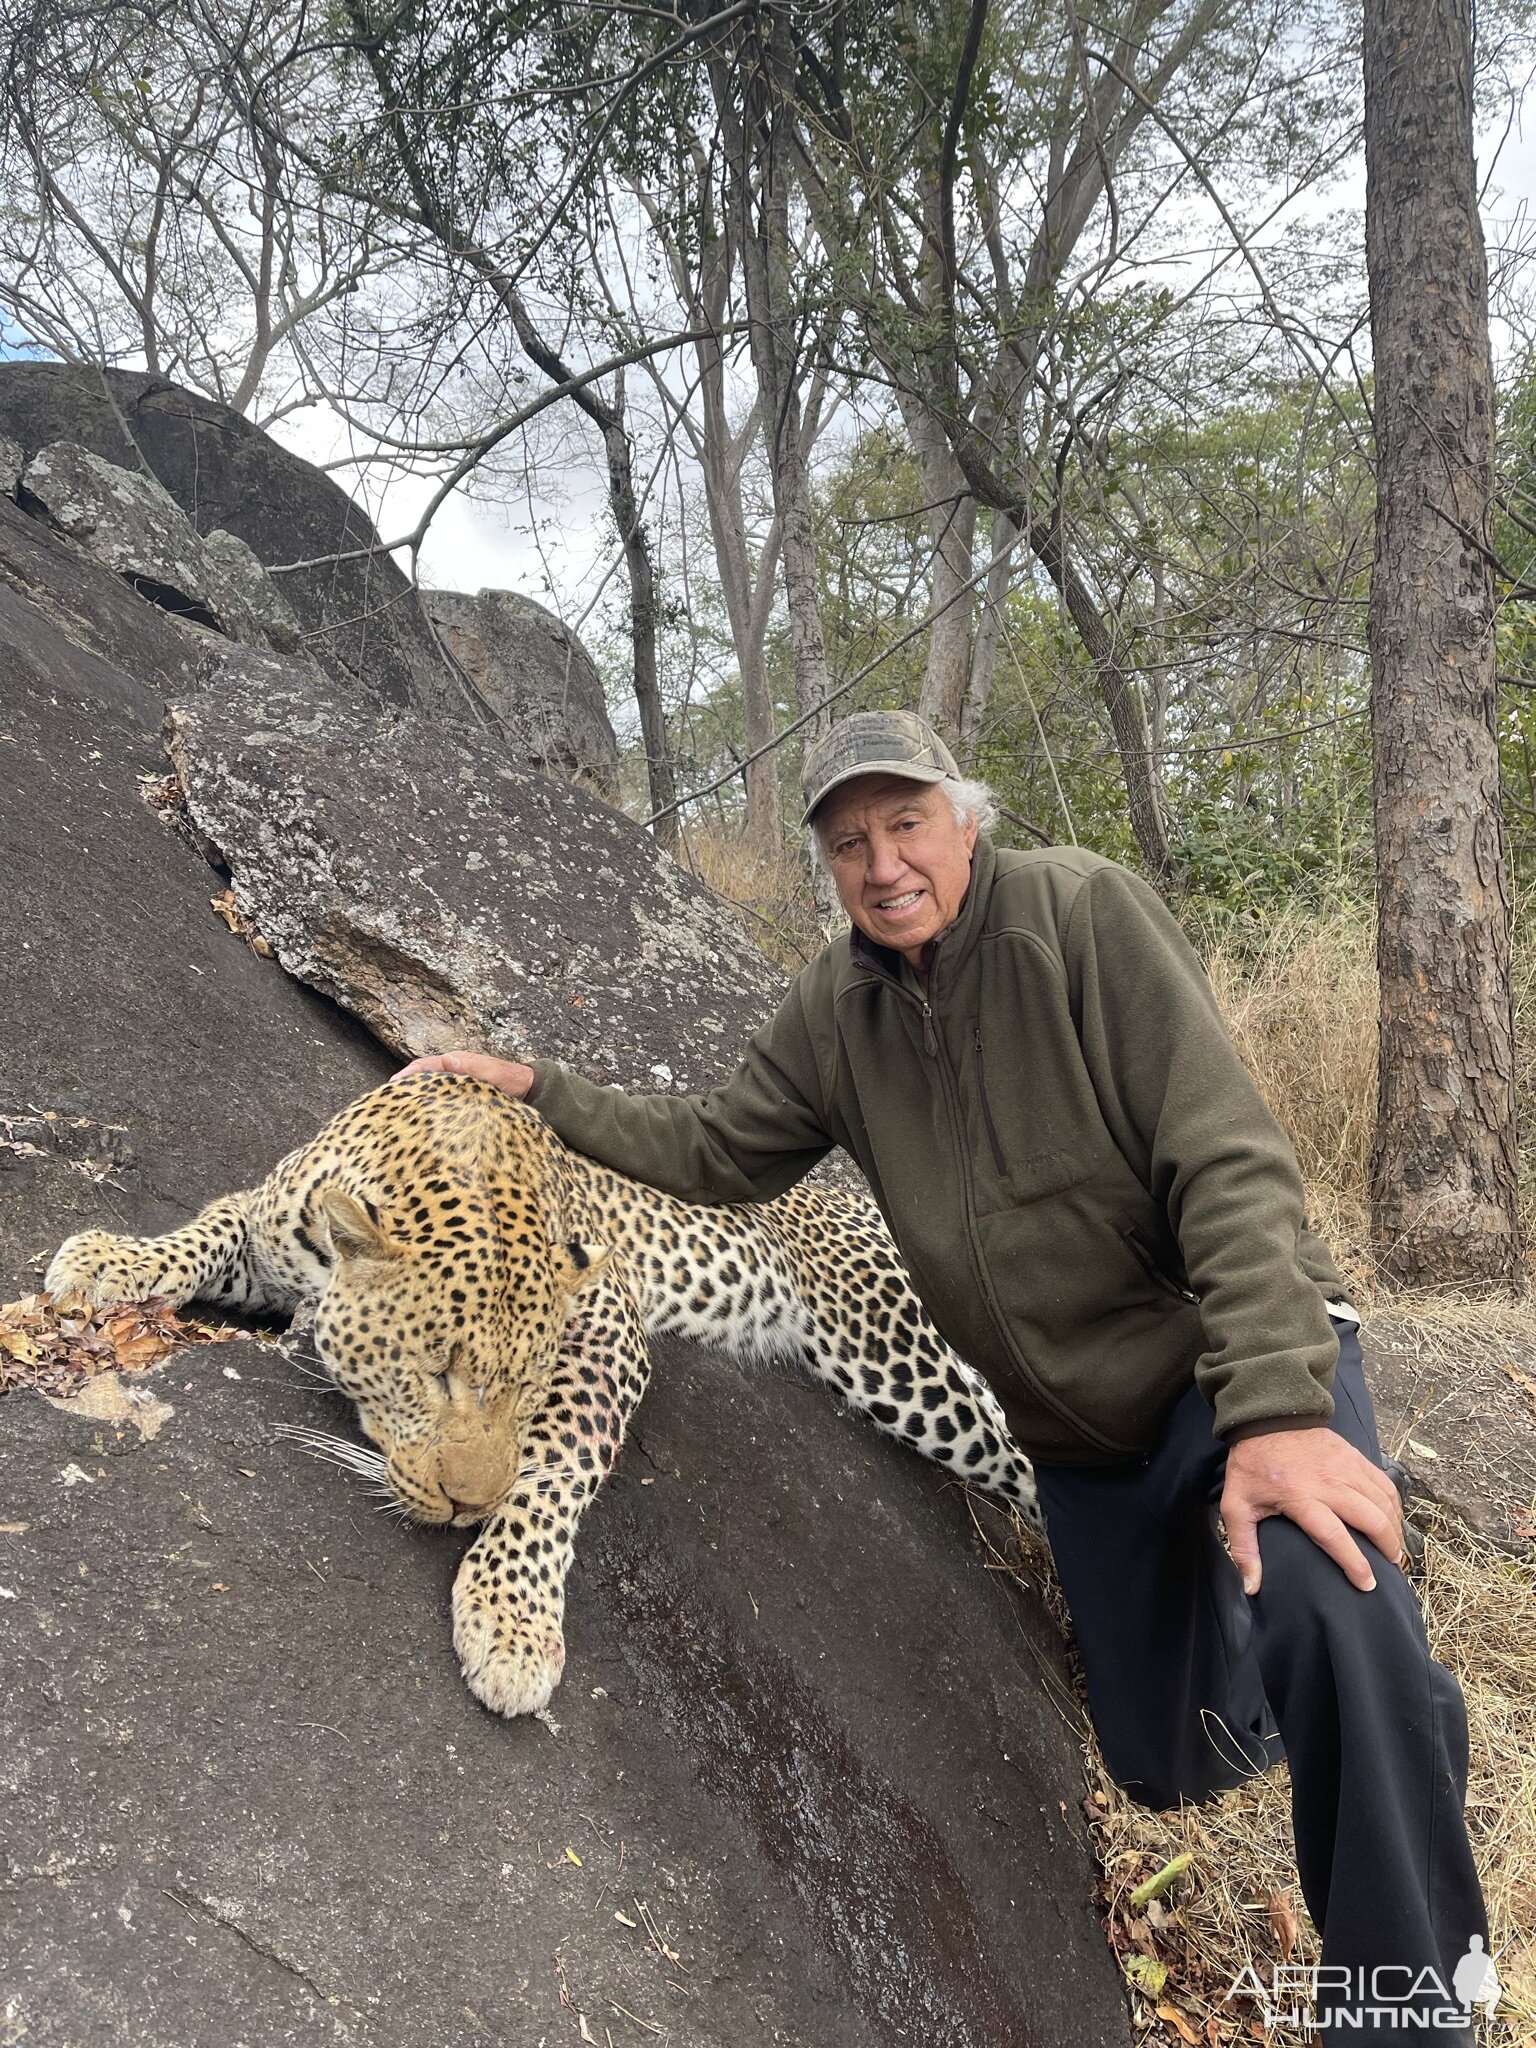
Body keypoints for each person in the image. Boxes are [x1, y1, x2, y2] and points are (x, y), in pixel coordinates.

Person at [400, 709, 1489, 2039]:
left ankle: (1410, 2001)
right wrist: (541, 1091)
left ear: (963, 819)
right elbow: (721, 1153)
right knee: (1168, 1760)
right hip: (1083, 1445)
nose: (883, 862)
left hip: (1221, 1362)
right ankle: (1395, 1712)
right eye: (848, 841)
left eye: (906, 821)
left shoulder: (1079, 916)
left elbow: (1230, 1162)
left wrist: (1274, 1413)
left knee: (1330, 1590)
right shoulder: (835, 1011)